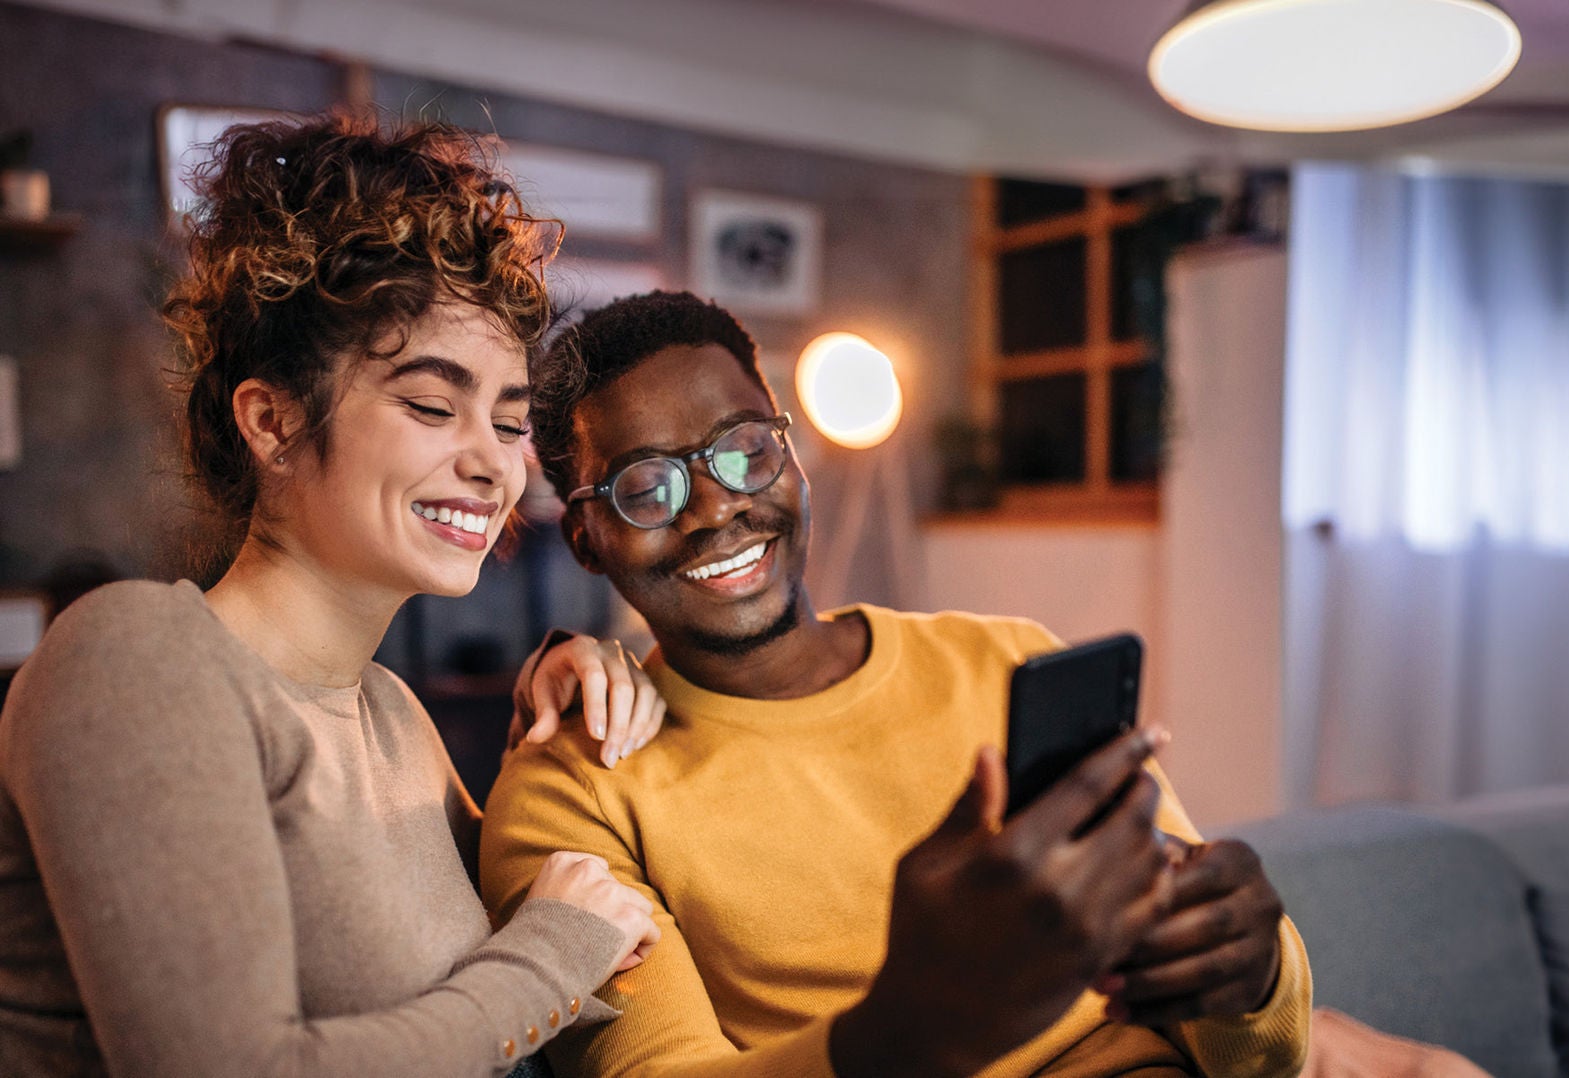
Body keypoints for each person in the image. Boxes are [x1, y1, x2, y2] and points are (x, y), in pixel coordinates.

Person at [481, 291, 1314, 1077]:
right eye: (646, 487)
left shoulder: (1007, 660)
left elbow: (1256, 1058)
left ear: (792, 458)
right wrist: (916, 1023)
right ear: (587, 540)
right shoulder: (573, 788)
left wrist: (1253, 974)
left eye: (744, 450)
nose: (713, 507)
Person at [0, 116, 668, 1077]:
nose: (490, 464)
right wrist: (553, 957)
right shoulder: (136, 657)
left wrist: (556, 703)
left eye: (509, 422)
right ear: (272, 422)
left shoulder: (392, 715)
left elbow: (541, 913)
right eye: (432, 407)